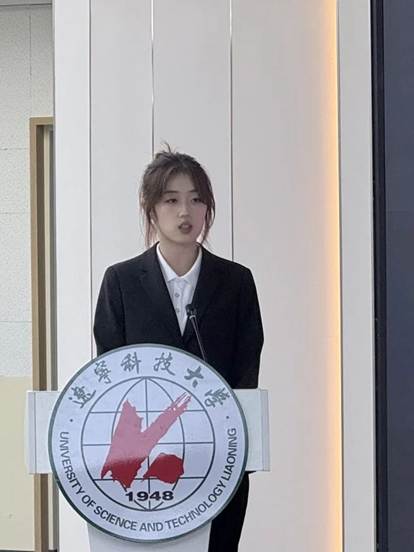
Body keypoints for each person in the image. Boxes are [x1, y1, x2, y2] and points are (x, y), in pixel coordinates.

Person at [93, 146, 264, 551]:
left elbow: (246, 368)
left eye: (196, 199)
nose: (185, 212)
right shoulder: (121, 282)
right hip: (143, 466)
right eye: (171, 200)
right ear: (150, 208)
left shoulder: (236, 282)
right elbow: (110, 374)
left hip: (218, 460)